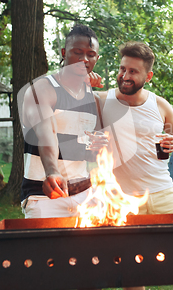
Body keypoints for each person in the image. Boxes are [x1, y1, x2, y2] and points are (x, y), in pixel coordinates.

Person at [93, 41, 173, 215]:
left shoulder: (160, 104)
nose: (125, 76)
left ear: (148, 76)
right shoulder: (100, 101)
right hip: (120, 198)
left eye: (133, 71)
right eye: (123, 69)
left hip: (163, 193)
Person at [21, 24, 106, 218]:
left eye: (91, 54)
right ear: (63, 53)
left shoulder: (93, 98)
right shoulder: (42, 89)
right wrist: (53, 171)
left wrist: (98, 146)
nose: (84, 59)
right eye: (77, 52)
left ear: (97, 59)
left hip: (85, 194)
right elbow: (46, 133)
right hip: (45, 195)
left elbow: (91, 147)